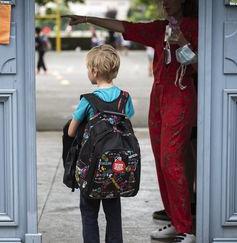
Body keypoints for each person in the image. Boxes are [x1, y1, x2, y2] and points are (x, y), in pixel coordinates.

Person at [63, 0, 198, 242]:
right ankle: (175, 221)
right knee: (160, 159)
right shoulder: (160, 28)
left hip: (180, 94)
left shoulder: (196, 27)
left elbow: (202, 65)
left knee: (171, 160)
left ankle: (186, 226)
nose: (165, 3)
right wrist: (86, 19)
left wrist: (183, 42)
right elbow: (124, 26)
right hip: (159, 97)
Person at [68, 44, 135, 243]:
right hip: (116, 168)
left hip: (91, 167)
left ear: (94, 72)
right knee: (113, 212)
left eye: (88, 68)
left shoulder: (88, 100)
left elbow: (71, 131)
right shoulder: (125, 98)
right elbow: (126, 123)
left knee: (89, 212)